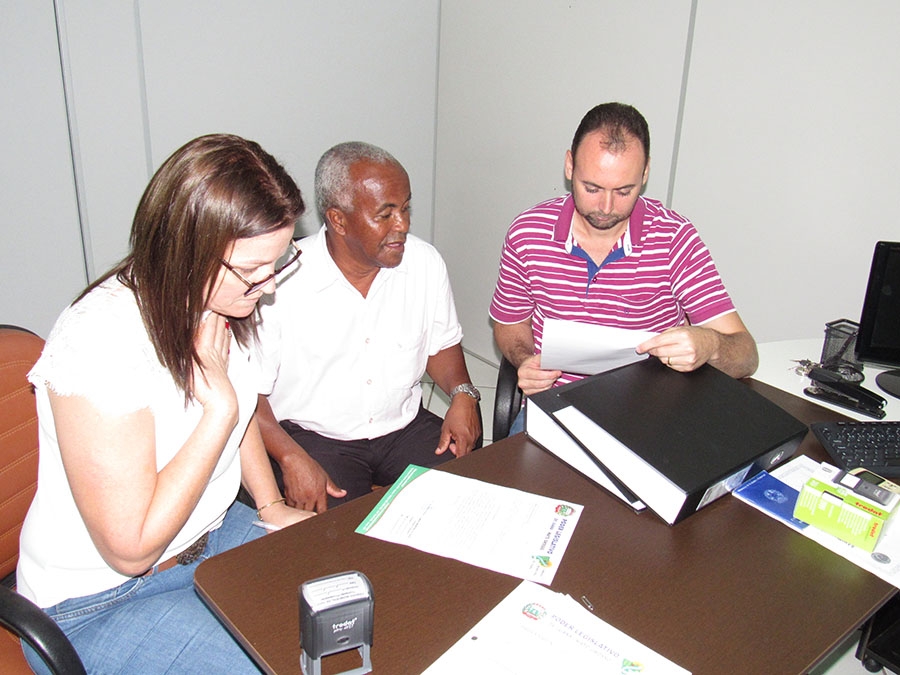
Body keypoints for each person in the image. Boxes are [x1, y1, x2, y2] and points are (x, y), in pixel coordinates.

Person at [18, 134, 313, 674]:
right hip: (99, 601)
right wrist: (216, 409)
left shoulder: (223, 300)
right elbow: (130, 550)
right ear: (189, 253)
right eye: (254, 270)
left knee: (352, 602)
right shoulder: (98, 343)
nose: (268, 287)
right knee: (274, 664)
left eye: (279, 262)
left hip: (209, 542)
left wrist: (269, 506)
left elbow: (244, 405)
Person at [490, 103, 758, 430]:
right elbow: (509, 323)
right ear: (569, 165)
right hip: (555, 406)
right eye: (592, 188)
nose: (605, 207)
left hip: (650, 414)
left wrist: (709, 345)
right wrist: (526, 360)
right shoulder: (528, 232)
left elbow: (746, 354)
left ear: (644, 174)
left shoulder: (675, 238)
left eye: (624, 191)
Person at [255, 141, 481, 511]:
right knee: (342, 539)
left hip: (402, 426)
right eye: (386, 214)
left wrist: (462, 394)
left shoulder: (424, 263)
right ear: (338, 219)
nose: (403, 225)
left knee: (467, 502)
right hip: (316, 437)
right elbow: (251, 397)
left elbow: (441, 346)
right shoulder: (277, 281)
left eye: (406, 208)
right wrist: (290, 457)